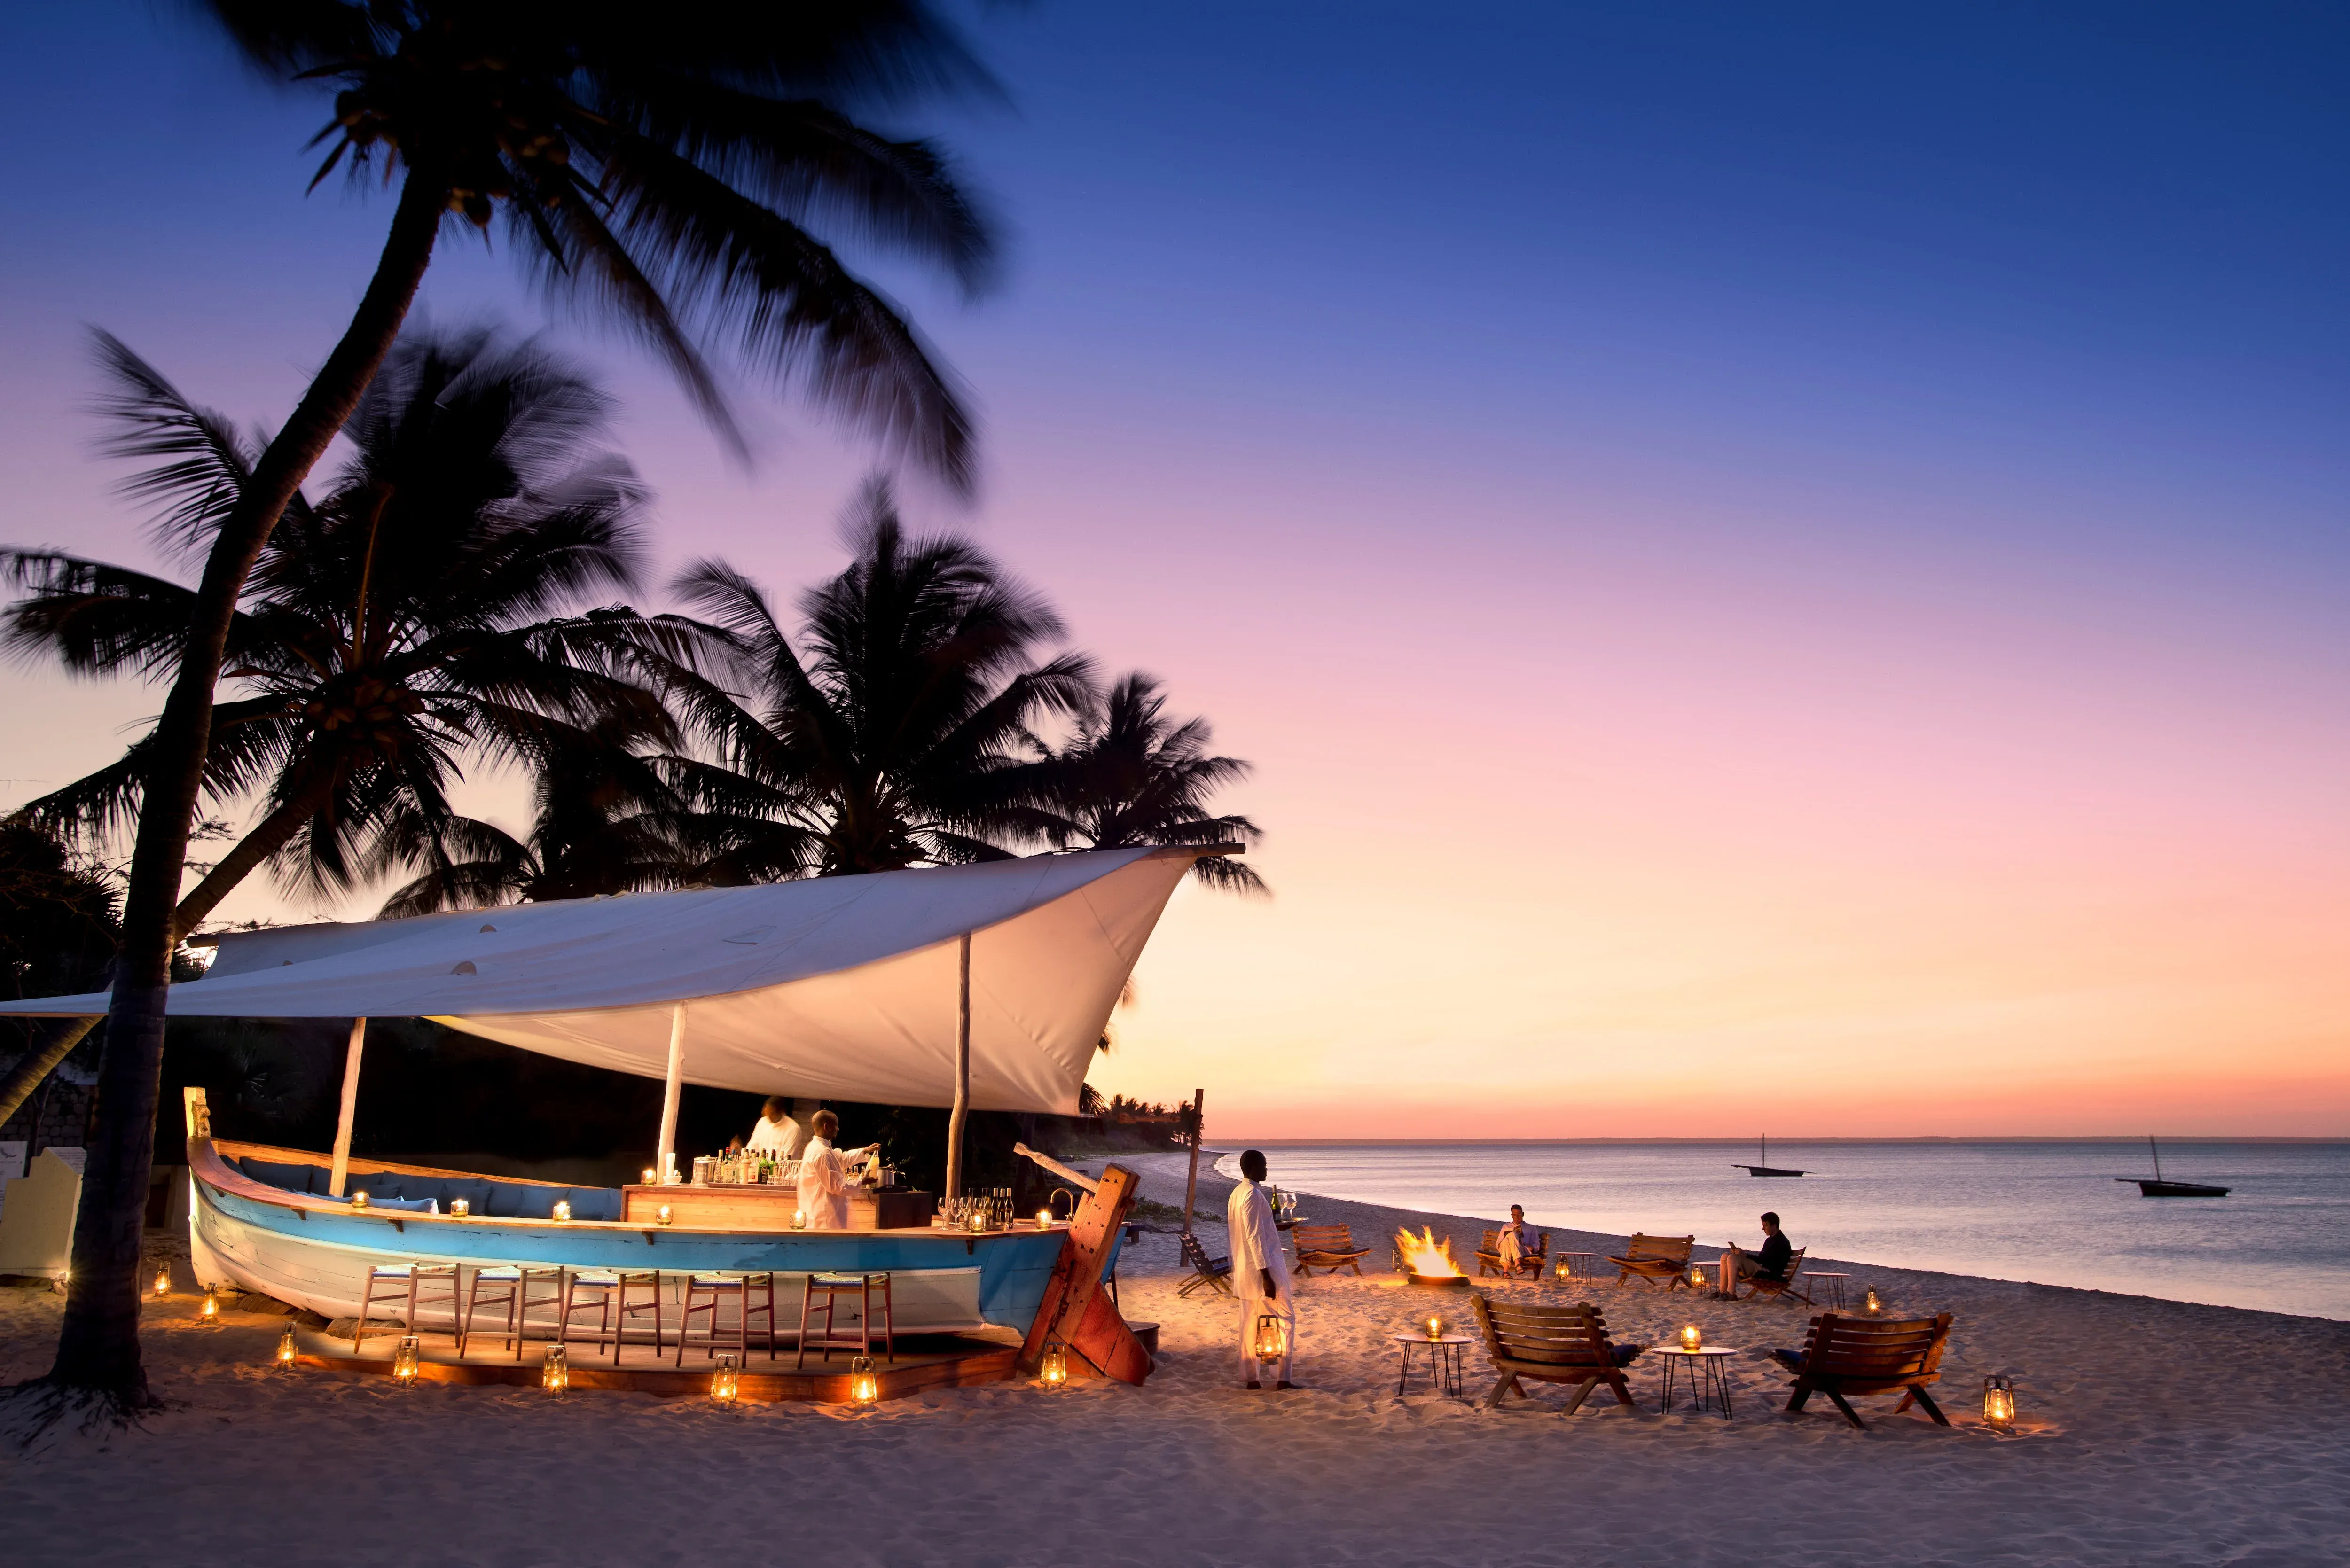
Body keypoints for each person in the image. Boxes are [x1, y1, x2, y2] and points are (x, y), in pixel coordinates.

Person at [1226, 1148, 1297, 1389]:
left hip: (1246, 1270)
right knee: (1286, 1319)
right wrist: (1267, 1276)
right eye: (1264, 1165)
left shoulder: (1237, 1193)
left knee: (1248, 1323)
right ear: (1254, 1168)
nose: (1267, 1169)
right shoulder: (1253, 1195)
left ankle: (1251, 1379)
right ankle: (1283, 1379)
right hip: (1263, 1269)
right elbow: (1255, 1237)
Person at [793, 1110, 877, 1230]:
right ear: (827, 1127)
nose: (838, 1129)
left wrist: (864, 1151)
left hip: (822, 1212)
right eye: (836, 1125)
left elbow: (841, 1159)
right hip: (825, 1216)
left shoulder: (817, 1147)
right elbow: (837, 1186)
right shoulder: (822, 1153)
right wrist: (862, 1181)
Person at [1716, 1211, 1793, 1297]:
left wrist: (1745, 1255)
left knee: (1732, 1258)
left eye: (1766, 1226)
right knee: (1725, 1256)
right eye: (1763, 1226)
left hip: (1769, 1273)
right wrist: (1742, 1255)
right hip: (1762, 1268)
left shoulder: (1782, 1242)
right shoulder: (1770, 1241)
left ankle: (1731, 1294)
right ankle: (1722, 1292)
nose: (1763, 1229)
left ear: (1774, 1226)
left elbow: (1765, 1262)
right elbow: (1761, 1259)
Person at [746, 1097, 804, 1161]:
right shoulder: (763, 1122)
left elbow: (785, 1160)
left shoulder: (793, 1129)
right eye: (767, 1113)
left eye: (772, 1114)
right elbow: (752, 1148)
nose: (768, 1117)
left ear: (781, 1112)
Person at [1495, 1203, 1540, 1274]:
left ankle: (1505, 1272)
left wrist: (1532, 1247)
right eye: (1514, 1215)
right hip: (1506, 1248)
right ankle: (1517, 1263)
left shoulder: (1531, 1228)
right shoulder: (1506, 1226)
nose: (1517, 1217)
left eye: (1519, 1215)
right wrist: (1506, 1241)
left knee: (1512, 1235)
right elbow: (1498, 1244)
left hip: (1522, 1250)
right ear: (1512, 1215)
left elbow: (1537, 1245)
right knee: (1507, 1239)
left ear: (1523, 1214)